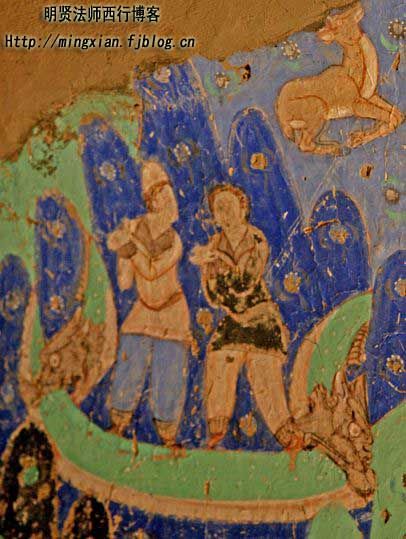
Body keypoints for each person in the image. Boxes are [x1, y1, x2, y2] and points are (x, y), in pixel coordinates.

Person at [190, 184, 293, 448]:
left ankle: (287, 437)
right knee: (218, 359)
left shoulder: (255, 239)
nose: (224, 213)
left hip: (260, 318)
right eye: (218, 209)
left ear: (243, 208)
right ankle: (216, 436)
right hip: (235, 321)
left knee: (263, 372)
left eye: (229, 206)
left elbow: (245, 281)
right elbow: (215, 296)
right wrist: (209, 269)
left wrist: (216, 263)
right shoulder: (215, 244)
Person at [106, 160, 192, 447]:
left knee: (170, 367)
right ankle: (118, 424)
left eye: (170, 194)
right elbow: (125, 282)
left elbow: (153, 271)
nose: (170, 201)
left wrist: (129, 248)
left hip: (172, 309)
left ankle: (168, 436)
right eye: (163, 195)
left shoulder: (174, 239)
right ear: (152, 200)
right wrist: (122, 251)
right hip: (144, 309)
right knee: (130, 353)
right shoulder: (134, 229)